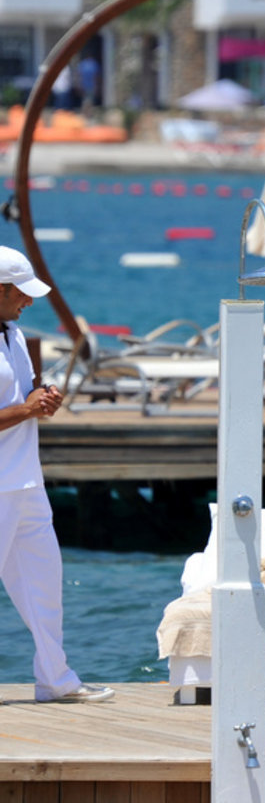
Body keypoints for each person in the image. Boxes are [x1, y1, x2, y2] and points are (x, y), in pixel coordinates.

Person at [0, 245, 114, 703]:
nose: (29, 301)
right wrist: (26, 409)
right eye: (21, 292)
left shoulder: (14, 335)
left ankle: (56, 680)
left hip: (26, 481)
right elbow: (18, 407)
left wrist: (42, 400)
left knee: (45, 585)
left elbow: (23, 398)